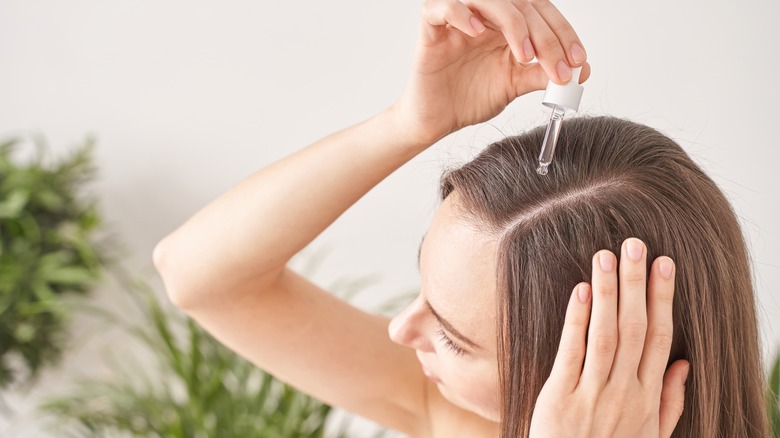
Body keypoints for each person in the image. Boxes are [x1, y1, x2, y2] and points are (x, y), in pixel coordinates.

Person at [152, 0, 768, 436]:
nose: (401, 330)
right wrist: (409, 122)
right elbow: (198, 277)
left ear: (593, 366)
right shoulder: (463, 416)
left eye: (454, 338)